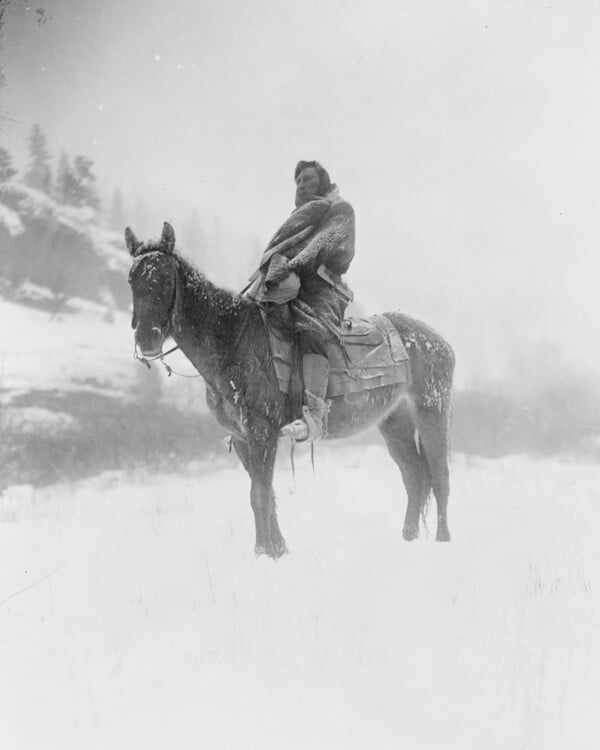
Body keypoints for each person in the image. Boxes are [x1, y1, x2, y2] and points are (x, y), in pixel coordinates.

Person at [246, 160, 356, 441]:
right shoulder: (298, 218)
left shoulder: (340, 209)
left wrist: (291, 265)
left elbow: (327, 246)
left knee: (312, 330)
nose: (302, 184)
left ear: (322, 180)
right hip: (288, 286)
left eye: (308, 178)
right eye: (298, 181)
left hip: (322, 289)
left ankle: (314, 414)